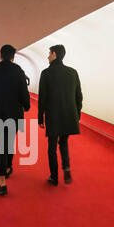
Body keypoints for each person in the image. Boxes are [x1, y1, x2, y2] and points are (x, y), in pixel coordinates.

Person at [0, 45, 30, 196]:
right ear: (13, 57)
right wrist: (27, 106)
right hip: (14, 113)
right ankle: (8, 166)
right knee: (9, 142)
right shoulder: (19, 71)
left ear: (0, 56)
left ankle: (2, 182)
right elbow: (24, 93)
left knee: (0, 146)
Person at [38, 45, 83, 186]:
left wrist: (40, 117)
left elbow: (42, 98)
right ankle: (67, 167)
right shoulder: (73, 72)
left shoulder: (46, 73)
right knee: (63, 143)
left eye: (49, 54)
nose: (48, 56)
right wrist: (77, 114)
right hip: (69, 115)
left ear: (55, 54)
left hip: (53, 116)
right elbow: (79, 97)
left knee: (52, 146)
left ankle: (54, 177)